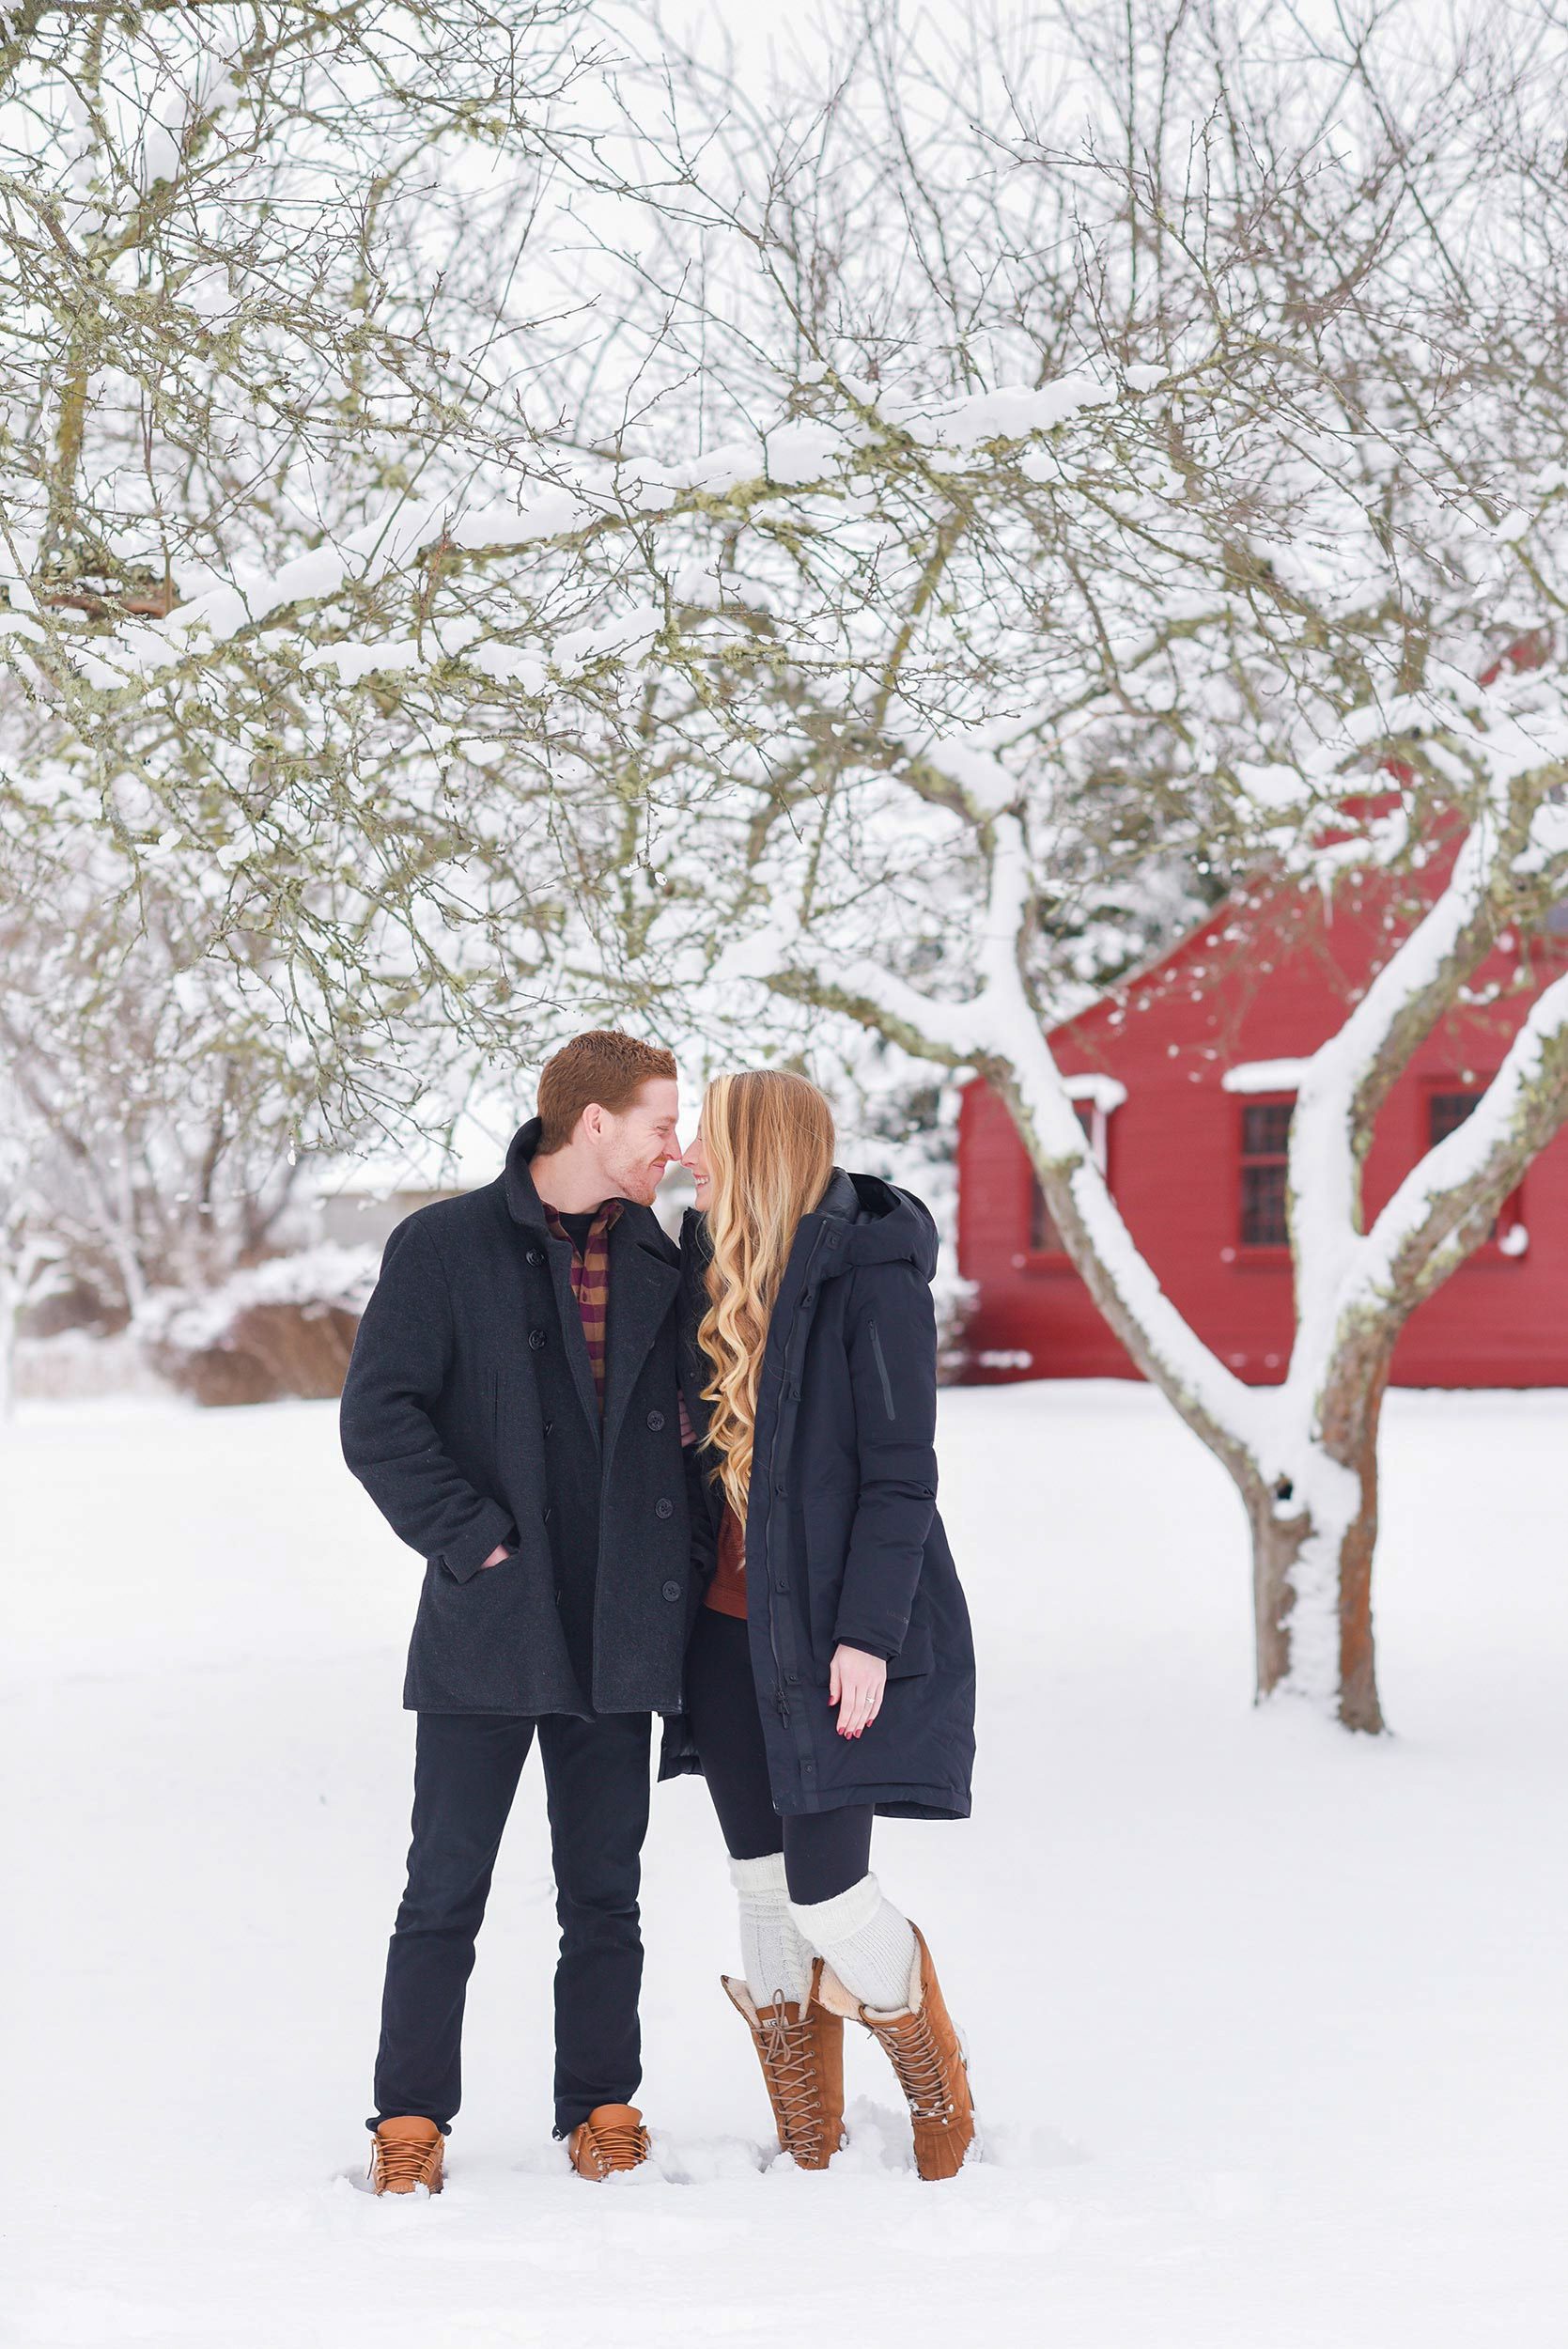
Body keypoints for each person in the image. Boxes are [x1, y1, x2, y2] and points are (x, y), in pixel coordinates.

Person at [340, 1030, 695, 2193]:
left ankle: (601, 2104)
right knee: (443, 1886)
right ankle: (410, 2122)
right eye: (659, 1123)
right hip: (490, 1619)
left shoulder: (663, 1257)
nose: (673, 1146)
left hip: (618, 1627)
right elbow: (379, 1417)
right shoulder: (442, 1246)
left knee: (606, 1891)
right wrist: (473, 1539)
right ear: (594, 1123)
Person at [664, 1069, 978, 2181]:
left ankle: (932, 2064)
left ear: (755, 1144)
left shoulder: (872, 1274)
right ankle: (808, 2121)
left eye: (705, 1136)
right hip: (723, 1633)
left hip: (829, 1637)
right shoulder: (708, 1267)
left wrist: (870, 1636)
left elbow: (901, 1477)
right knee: (758, 1883)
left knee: (828, 1892)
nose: (688, 1155)